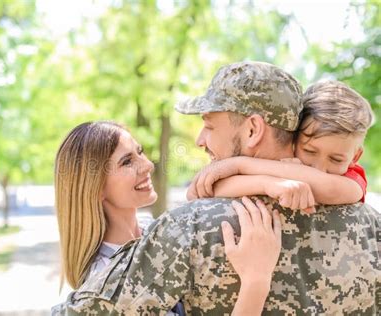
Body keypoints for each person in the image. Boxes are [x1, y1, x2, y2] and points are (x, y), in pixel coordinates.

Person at [62, 61, 380, 314]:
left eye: (210, 125)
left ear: (254, 129)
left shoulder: (189, 229)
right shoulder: (371, 228)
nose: (200, 140)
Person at [52, 121, 282, 315]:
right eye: (127, 161)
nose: (148, 165)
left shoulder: (156, 231)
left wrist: (259, 174)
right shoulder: (111, 279)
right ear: (95, 188)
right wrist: (256, 280)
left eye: (139, 152)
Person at [188, 80, 374, 211]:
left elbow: (331, 189)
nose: (319, 168)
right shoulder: (284, 166)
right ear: (294, 138)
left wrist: (239, 164)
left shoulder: (352, 179)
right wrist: (266, 183)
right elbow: (209, 191)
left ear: (355, 157)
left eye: (336, 159)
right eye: (309, 151)